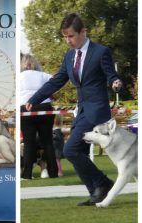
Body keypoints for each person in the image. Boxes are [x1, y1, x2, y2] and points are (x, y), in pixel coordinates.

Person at [26, 13, 122, 206]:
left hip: (96, 111)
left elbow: (111, 75)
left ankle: (103, 184)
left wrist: (115, 82)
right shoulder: (69, 56)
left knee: (70, 150)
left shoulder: (100, 52)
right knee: (79, 153)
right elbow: (57, 81)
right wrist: (35, 99)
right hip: (81, 111)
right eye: (65, 37)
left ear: (83, 32)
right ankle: (96, 191)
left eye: (71, 35)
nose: (68, 40)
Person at [20, 54, 58, 179]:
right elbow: (56, 82)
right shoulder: (44, 75)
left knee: (28, 142)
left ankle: (27, 173)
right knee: (47, 141)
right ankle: (53, 172)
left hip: (26, 109)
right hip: (45, 108)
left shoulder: (19, 77)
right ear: (35, 63)